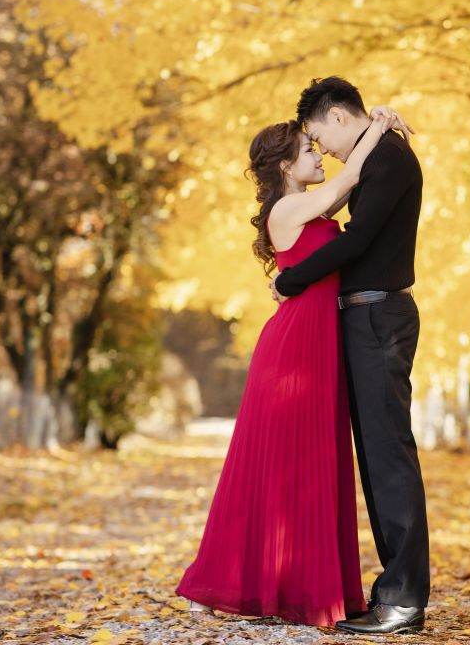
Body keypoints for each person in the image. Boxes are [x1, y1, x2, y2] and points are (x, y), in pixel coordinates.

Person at [175, 104, 409, 627]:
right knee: (278, 468)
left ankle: (308, 586)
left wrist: (373, 134)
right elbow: (352, 174)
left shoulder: (313, 208)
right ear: (284, 166)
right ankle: (243, 582)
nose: (319, 153)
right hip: (293, 349)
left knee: (316, 467)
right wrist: (378, 125)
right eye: (308, 149)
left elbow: (357, 190)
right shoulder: (288, 211)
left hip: (320, 344)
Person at [271, 76, 429, 636]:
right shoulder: (377, 148)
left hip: (379, 318)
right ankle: (394, 592)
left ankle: (405, 599)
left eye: (319, 137)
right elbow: (345, 190)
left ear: (339, 117)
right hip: (362, 318)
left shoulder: (386, 157)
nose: (324, 150)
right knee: (375, 460)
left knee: (389, 458)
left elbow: (357, 240)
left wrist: (291, 281)